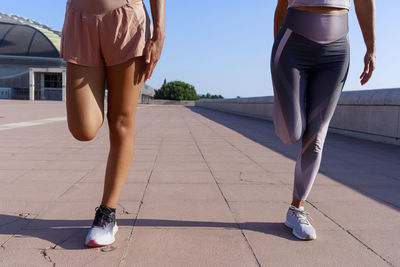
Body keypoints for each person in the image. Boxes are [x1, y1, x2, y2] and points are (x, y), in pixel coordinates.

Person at [60, 0, 165, 247]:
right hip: (80, 17)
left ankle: (107, 214)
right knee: (82, 129)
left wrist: (159, 32)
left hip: (126, 17)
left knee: (120, 122)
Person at [271, 0, 375, 240]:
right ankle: (288, 107)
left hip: (336, 53)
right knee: (291, 133)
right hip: (293, 42)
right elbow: (281, 5)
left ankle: (297, 209)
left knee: (316, 137)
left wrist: (371, 47)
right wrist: (278, 60)